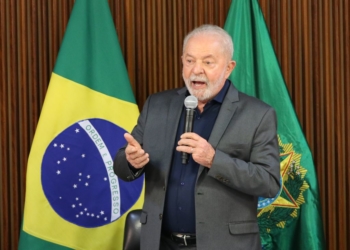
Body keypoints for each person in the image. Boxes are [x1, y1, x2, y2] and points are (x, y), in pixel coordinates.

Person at [114, 24, 280, 250]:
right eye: (190, 61)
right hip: (161, 242)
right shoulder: (157, 105)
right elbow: (123, 166)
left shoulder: (257, 114)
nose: (196, 70)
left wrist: (214, 160)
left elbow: (269, 182)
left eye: (208, 62)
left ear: (229, 67)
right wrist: (130, 162)